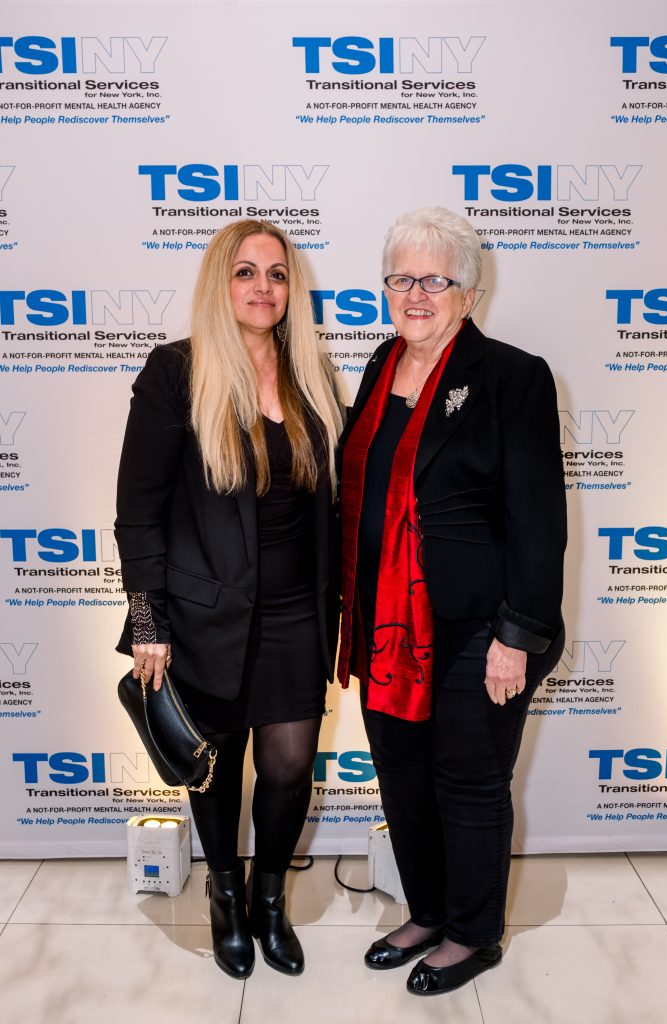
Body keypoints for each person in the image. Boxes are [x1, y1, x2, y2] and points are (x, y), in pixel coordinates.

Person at [337, 207, 566, 996]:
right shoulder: (380, 364)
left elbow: (538, 520)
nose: (415, 295)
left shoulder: (511, 376)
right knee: (402, 776)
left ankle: (472, 933)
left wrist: (517, 634)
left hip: (479, 627)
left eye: (434, 280)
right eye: (400, 278)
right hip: (385, 625)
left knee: (467, 781)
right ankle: (427, 911)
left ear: (467, 294)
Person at [115, 219, 344, 980]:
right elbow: (138, 512)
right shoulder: (176, 372)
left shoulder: (312, 374)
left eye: (276, 274)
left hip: (297, 613)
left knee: (288, 767)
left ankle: (268, 898)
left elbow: (331, 508)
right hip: (203, 613)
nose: (262, 287)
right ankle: (224, 895)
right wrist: (147, 619)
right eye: (245, 272)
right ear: (221, 283)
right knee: (213, 767)